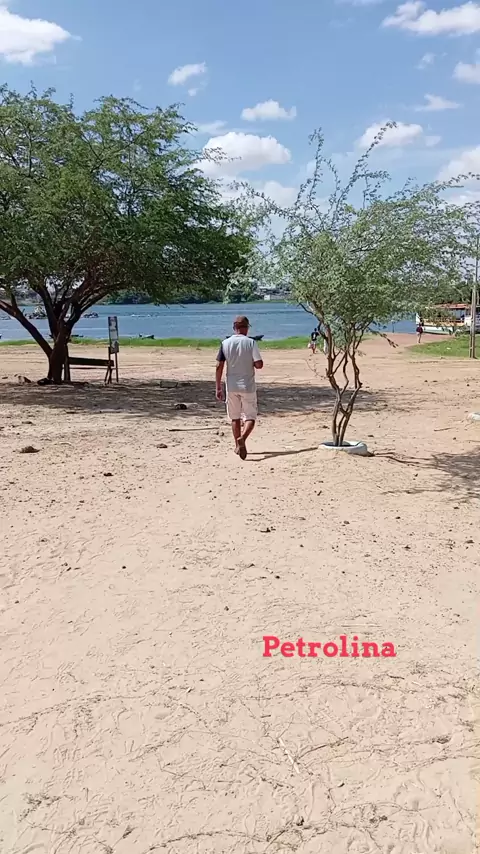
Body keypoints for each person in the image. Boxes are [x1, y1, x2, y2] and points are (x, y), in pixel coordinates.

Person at [215, 316, 263, 460]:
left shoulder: (225, 343)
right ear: (247, 328)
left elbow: (219, 366)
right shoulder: (251, 343)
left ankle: (237, 444)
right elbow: (259, 364)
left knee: (234, 417)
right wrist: (251, 363)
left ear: (234, 327)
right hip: (247, 385)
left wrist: (218, 387)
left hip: (231, 385)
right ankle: (243, 438)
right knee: (250, 416)